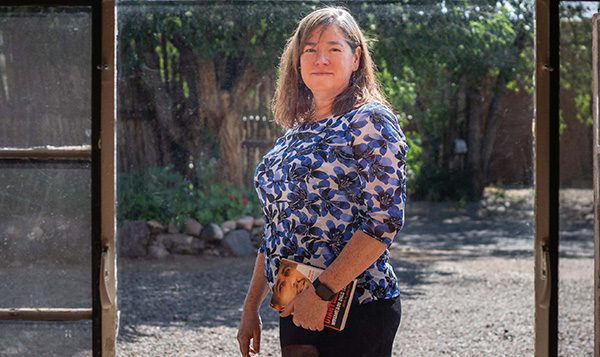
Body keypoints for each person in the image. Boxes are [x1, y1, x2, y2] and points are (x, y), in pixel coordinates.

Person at [237, 6, 408, 357]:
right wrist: (250, 306)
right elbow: (275, 227)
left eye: (334, 48)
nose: (321, 58)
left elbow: (384, 221)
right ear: (298, 63)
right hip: (296, 303)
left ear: (356, 57)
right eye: (310, 50)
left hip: (356, 305)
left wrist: (322, 292)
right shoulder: (294, 133)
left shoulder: (369, 121)